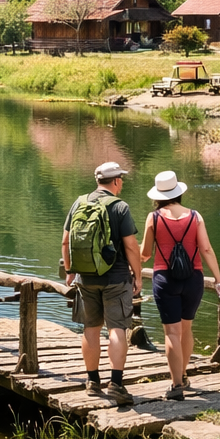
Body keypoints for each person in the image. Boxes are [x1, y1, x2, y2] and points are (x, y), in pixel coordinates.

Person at [140, 170, 220, 402]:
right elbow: (206, 249)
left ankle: (176, 384)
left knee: (172, 332)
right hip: (193, 278)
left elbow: (146, 254)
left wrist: (132, 258)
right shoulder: (195, 216)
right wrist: (219, 280)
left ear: (157, 196)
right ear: (178, 192)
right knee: (186, 329)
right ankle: (184, 374)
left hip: (165, 279)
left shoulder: (154, 218)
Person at [61, 161, 142, 406]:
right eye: (121, 179)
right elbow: (131, 246)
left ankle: (92, 381)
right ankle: (116, 384)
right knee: (117, 329)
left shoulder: (79, 202)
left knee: (91, 328)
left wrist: (70, 271)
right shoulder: (120, 207)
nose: (122, 183)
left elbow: (65, 241)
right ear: (116, 181)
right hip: (116, 279)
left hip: (86, 278)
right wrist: (137, 276)